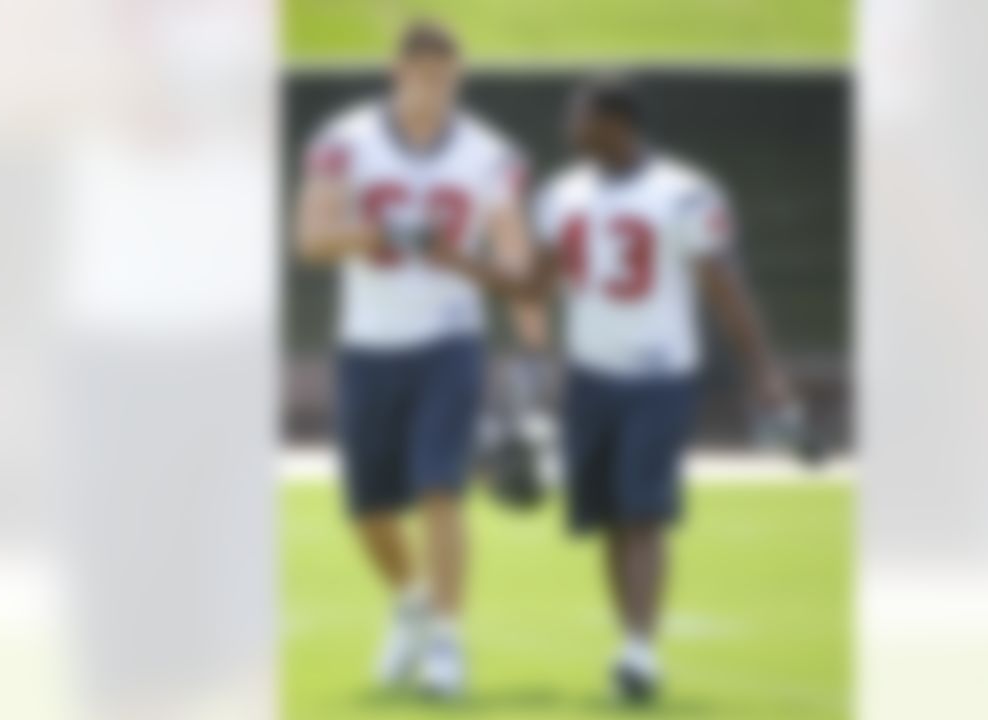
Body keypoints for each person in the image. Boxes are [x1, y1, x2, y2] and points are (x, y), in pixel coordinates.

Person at [430, 74, 790, 703]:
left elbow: (725, 288)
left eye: (583, 120)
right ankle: (631, 645)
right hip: (591, 377)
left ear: (619, 125)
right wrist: (453, 258)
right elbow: (531, 288)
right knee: (604, 517)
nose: (570, 131)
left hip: (660, 375)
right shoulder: (561, 195)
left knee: (641, 511)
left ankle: (640, 655)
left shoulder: (683, 194)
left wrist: (763, 372)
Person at [292, 20, 541, 698]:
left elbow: (512, 244)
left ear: (457, 76)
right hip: (368, 341)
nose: (432, 87)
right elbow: (311, 240)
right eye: (421, 72)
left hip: (448, 337)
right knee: (368, 507)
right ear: (395, 71)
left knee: (441, 488)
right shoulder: (344, 143)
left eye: (444, 75)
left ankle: (448, 644)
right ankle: (411, 601)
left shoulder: (489, 153)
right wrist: (381, 230)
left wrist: (527, 316)